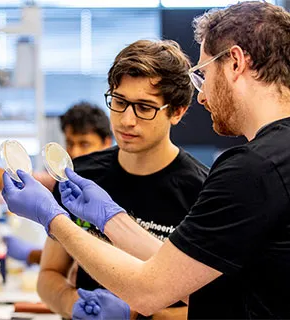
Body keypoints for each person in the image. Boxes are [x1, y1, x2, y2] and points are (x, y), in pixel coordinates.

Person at [1, 2, 290, 319]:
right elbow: (184, 271)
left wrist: (52, 216)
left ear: (235, 63)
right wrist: (111, 219)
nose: (202, 95)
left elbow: (149, 290)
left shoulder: (254, 168)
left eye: (203, 74)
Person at [35, 39, 209, 319]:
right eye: (119, 102)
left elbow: (212, 307)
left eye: (144, 107)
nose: (127, 120)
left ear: (177, 111)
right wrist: (73, 305)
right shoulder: (81, 175)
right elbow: (49, 273)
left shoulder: (203, 192)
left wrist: (139, 315)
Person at [0, 102, 113, 265]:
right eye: (69, 143)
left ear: (107, 142)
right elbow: (18, 178)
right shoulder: (67, 181)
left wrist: (30, 254)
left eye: (84, 144)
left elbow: (104, 258)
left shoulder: (113, 187)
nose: (74, 152)